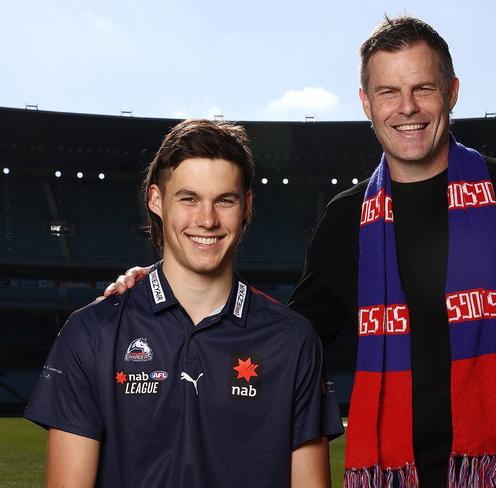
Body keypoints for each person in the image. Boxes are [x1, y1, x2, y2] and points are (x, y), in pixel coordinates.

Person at [106, 17, 496, 488]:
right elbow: (290, 339)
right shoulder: (345, 219)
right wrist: (173, 283)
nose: (406, 108)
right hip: (385, 473)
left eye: (423, 88)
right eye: (389, 91)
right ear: (367, 102)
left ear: (451, 92)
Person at [26, 119, 343, 488]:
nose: (206, 220)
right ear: (156, 200)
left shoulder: (294, 340)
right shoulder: (91, 333)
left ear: (247, 206)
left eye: (224, 200)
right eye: (188, 198)